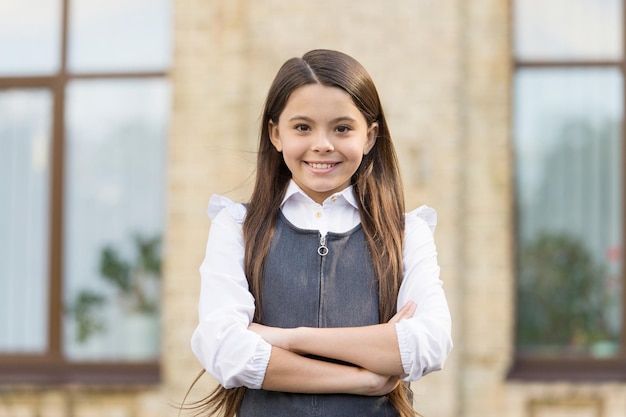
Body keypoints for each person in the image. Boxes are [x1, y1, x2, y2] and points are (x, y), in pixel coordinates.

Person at [190, 49, 453, 417]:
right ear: (275, 133)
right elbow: (223, 350)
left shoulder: (407, 233)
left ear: (370, 136)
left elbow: (429, 344)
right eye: (303, 127)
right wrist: (363, 378)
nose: (322, 144)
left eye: (342, 128)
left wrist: (283, 337)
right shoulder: (235, 227)